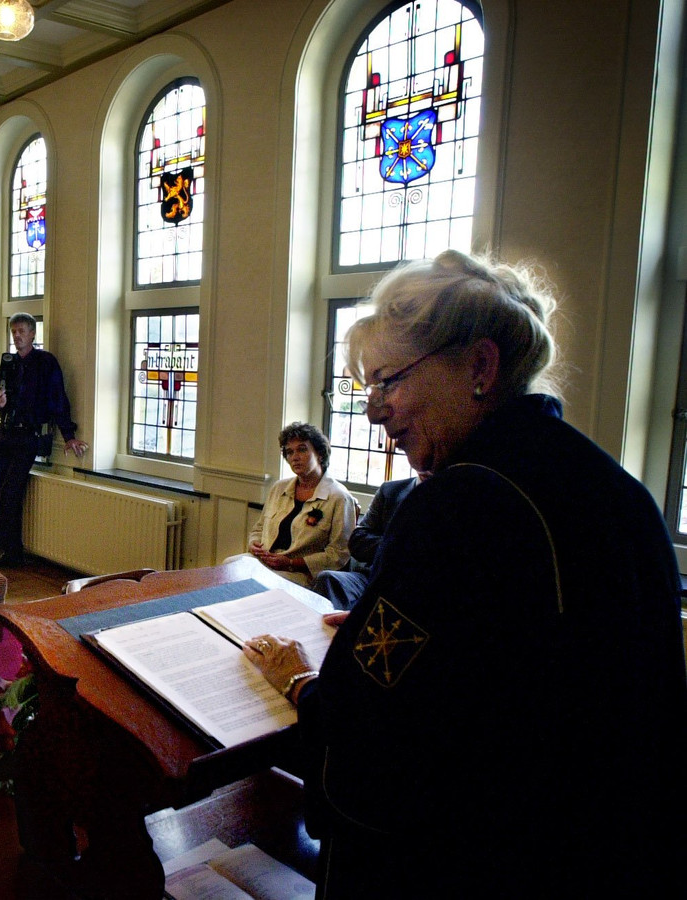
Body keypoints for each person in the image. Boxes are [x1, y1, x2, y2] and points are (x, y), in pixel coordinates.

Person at [243, 250, 687, 898]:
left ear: (479, 366)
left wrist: (305, 682)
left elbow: (373, 728)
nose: (373, 411)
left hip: (468, 860)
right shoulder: (617, 490)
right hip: (599, 850)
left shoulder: (460, 502)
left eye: (388, 381)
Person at [0, 313, 87, 567]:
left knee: (9, 495)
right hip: (4, 434)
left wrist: (68, 435)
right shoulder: (8, 362)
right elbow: (0, 398)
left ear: (33, 334)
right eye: (14, 331)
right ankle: (14, 553)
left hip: (28, 436)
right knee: (6, 495)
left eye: (22, 331)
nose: (17, 336)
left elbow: (58, 399)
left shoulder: (46, 362)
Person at [244, 422, 356, 587]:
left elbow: (338, 554)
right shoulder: (279, 488)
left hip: (300, 573)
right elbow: (259, 528)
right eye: (289, 452)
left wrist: (291, 562)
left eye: (302, 449)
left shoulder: (339, 497)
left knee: (256, 585)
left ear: (320, 454)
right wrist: (254, 544)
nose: (294, 457)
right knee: (228, 566)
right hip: (265, 562)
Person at [311, 474, 422, 610]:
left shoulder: (450, 498)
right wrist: (398, 545)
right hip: (370, 577)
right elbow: (358, 540)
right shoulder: (391, 490)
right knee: (328, 579)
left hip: (412, 587)